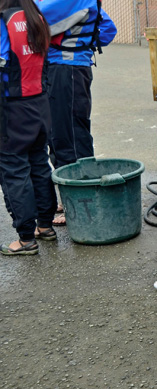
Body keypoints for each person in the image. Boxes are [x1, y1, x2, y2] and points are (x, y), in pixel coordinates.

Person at [35, 0, 116, 225]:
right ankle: (70, 194)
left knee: (68, 137)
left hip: (65, 69)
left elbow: (33, 20)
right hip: (68, 68)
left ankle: (80, 202)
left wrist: (76, 48)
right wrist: (84, 45)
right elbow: (108, 29)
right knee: (62, 134)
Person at [0, 0, 57, 255]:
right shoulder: (36, 17)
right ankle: (45, 226)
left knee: (13, 169)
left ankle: (25, 238)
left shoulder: (4, 21)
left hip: (12, 107)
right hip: (40, 102)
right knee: (38, 163)